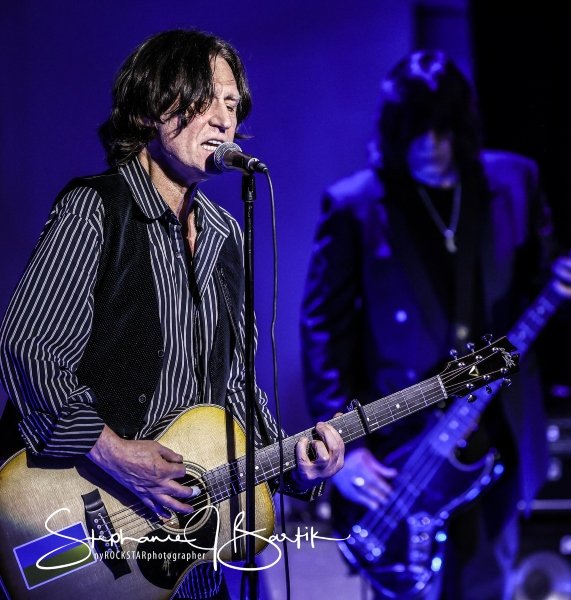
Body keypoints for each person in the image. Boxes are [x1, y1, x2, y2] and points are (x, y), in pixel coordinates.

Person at [0, 29, 344, 599]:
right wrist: (115, 454)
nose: (224, 120)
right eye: (204, 100)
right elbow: (30, 350)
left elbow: (234, 389)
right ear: (151, 107)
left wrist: (295, 466)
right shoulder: (96, 208)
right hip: (86, 518)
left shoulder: (224, 235)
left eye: (231, 104)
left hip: (188, 558)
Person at [300, 49, 571, 599]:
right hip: (399, 445)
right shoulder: (355, 205)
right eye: (417, 132)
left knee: (490, 583)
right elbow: (324, 331)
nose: (431, 147)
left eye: (444, 131)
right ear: (395, 132)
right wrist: (341, 448)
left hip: (498, 434)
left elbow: (550, 289)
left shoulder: (514, 182)